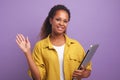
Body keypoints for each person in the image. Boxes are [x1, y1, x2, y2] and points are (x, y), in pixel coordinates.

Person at [16, 4, 92, 80]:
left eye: (65, 21)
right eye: (58, 19)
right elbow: (37, 78)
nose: (61, 24)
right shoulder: (40, 47)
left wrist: (83, 74)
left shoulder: (76, 46)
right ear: (51, 20)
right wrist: (27, 53)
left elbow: (87, 70)